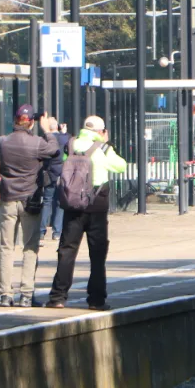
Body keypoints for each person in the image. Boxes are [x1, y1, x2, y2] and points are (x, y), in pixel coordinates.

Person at [47, 116, 128, 310]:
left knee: (67, 250)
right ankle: (96, 299)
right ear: (101, 132)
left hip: (72, 204)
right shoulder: (103, 149)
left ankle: (58, 297)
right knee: (97, 254)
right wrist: (106, 144)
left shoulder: (71, 144)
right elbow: (121, 166)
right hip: (96, 205)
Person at [0, 104, 60, 307]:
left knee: (7, 247)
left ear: (15, 120)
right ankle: (26, 294)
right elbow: (54, 150)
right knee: (30, 247)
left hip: (8, 199)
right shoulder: (38, 143)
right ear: (31, 122)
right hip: (30, 199)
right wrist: (48, 130)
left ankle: (6, 294)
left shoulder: (3, 142)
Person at [40, 122, 71, 241]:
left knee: (47, 201)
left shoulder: (46, 139)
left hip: (49, 173)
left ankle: (41, 231)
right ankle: (57, 232)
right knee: (59, 203)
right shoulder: (65, 138)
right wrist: (64, 131)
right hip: (61, 173)